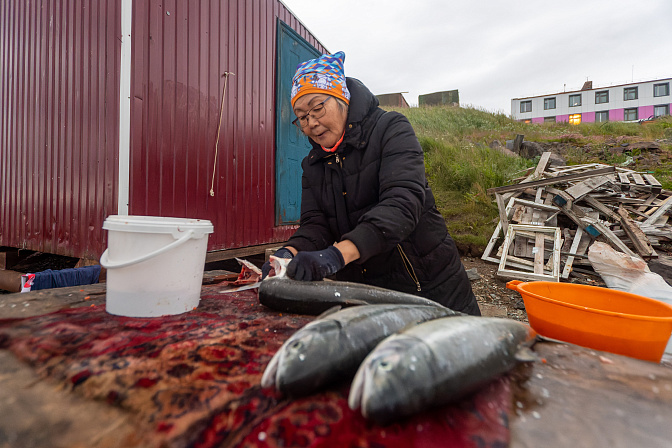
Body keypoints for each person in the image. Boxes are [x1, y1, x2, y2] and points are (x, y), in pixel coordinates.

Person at [262, 51, 480, 316]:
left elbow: (402, 204)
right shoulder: (313, 164)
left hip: (427, 285)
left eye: (317, 108)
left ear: (342, 97)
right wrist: (290, 251)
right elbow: (315, 225)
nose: (312, 123)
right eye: (302, 117)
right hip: (363, 295)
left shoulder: (390, 129)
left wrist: (336, 255)